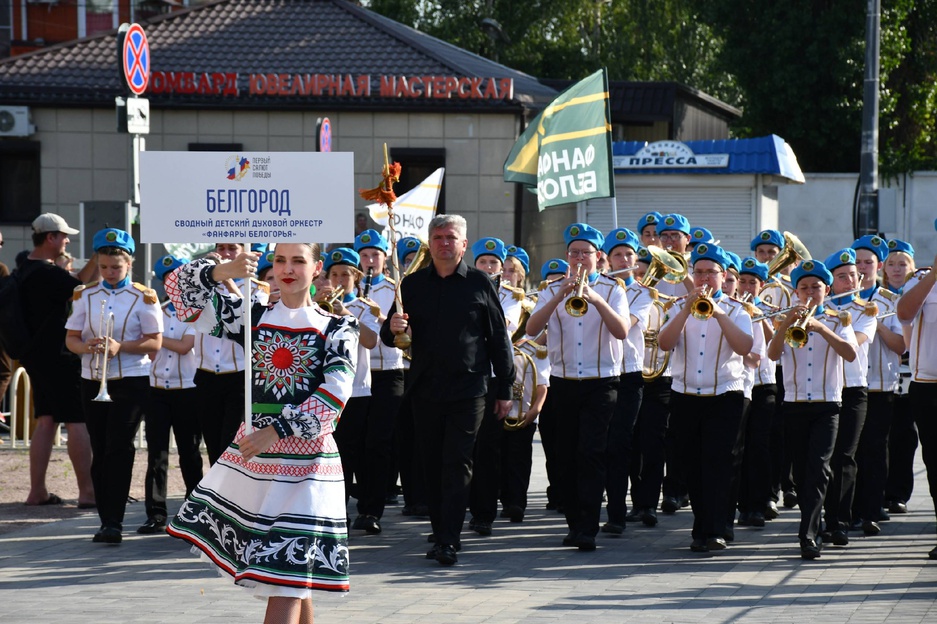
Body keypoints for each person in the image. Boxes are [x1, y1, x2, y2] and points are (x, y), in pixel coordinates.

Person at [167, 243, 357, 621]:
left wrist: (277, 429)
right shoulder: (252, 317)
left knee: (286, 576)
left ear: (317, 267)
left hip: (309, 465)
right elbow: (180, 292)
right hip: (257, 465)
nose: (288, 269)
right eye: (280, 260)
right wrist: (224, 271)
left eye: (299, 261)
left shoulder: (337, 327)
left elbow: (336, 392)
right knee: (292, 578)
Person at [380, 214, 515, 566]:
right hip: (425, 389)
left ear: (463, 244)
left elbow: (498, 338)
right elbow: (389, 337)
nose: (444, 243)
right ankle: (442, 529)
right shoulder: (411, 285)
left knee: (457, 462)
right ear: (430, 242)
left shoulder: (480, 283)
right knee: (431, 463)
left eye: (451, 237)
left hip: (469, 389)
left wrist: (505, 387)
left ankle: (448, 539)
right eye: (438, 237)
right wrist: (393, 326)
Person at [525, 223, 630, 551]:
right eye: (574, 253)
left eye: (586, 253)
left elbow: (622, 331)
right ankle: (574, 522)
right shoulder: (551, 288)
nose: (580, 258)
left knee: (591, 452)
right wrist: (559, 295)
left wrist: (596, 300)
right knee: (567, 455)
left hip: (602, 382)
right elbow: (531, 329)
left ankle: (588, 526)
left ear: (599, 257)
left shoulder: (613, 289)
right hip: (564, 381)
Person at [65, 228, 162, 543]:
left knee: (119, 447)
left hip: (131, 379)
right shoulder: (85, 295)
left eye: (116, 267)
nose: (109, 272)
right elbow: (71, 338)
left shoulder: (144, 297)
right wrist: (86, 347)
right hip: (92, 378)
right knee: (100, 448)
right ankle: (105, 516)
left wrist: (121, 347)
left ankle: (114, 521)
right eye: (104, 266)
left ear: (129, 264)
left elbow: (154, 342)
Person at [657, 243, 754, 552]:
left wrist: (719, 312)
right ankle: (702, 527)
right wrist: (686, 310)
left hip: (725, 394)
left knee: (720, 463)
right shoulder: (678, 306)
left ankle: (717, 528)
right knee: (692, 464)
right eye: (698, 272)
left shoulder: (737, 309)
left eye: (710, 273)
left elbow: (744, 347)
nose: (703, 279)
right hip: (685, 394)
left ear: (723, 276)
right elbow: (664, 343)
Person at [767, 260, 857, 560]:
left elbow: (851, 353)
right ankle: (814, 524)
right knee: (803, 471)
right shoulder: (784, 319)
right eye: (803, 288)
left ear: (826, 290)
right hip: (794, 404)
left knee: (819, 468)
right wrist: (786, 323)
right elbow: (772, 354)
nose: (809, 293)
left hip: (827, 405)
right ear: (795, 292)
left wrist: (820, 327)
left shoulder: (839, 319)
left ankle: (808, 533)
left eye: (815, 287)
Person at [19, 213, 97, 507]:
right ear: (50, 237)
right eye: (64, 236)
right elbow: (80, 286)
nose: (67, 241)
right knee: (77, 421)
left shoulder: (26, 267)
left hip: (35, 355)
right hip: (60, 356)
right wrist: (98, 257)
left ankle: (36, 491)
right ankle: (88, 492)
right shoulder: (47, 273)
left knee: (47, 421)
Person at [138, 254, 204, 535]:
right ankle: (155, 513)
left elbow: (185, 346)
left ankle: (194, 510)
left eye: (177, 278)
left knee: (190, 453)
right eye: (167, 279)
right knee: (156, 454)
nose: (172, 284)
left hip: (188, 390)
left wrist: (155, 338)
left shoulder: (197, 311)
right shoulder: (156, 310)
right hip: (157, 390)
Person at [192, 242, 269, 465]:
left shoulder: (257, 287)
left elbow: (250, 318)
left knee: (231, 444)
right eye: (221, 248)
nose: (225, 254)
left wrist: (227, 279)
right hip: (206, 374)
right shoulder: (201, 282)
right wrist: (206, 273)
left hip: (239, 376)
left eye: (232, 249)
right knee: (212, 443)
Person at [324, 246, 383, 533]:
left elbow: (371, 341)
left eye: (345, 275)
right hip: (327, 390)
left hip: (357, 391)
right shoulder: (316, 306)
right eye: (334, 274)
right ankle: (338, 513)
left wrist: (346, 313)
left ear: (356, 278)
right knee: (335, 455)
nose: (339, 280)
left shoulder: (365, 307)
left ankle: (369, 510)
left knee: (360, 452)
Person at [468, 236, 523, 536]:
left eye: (493, 263)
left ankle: (484, 513)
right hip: (467, 377)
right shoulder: (464, 288)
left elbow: (504, 329)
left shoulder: (512, 297)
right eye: (483, 262)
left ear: (502, 268)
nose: (488, 267)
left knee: (488, 449)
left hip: (493, 378)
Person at [821, 247, 876, 547]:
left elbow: (856, 345)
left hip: (853, 388)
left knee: (844, 456)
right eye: (842, 277)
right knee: (819, 458)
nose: (850, 281)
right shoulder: (819, 308)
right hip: (822, 390)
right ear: (831, 281)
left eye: (853, 275)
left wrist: (838, 319)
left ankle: (839, 521)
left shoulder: (867, 310)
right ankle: (817, 518)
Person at [600, 228, 653, 535]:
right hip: (599, 372)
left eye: (629, 255)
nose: (624, 260)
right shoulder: (597, 287)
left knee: (621, 443)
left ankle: (618, 514)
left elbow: (625, 325)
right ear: (607, 259)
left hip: (628, 373)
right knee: (601, 443)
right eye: (618, 255)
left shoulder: (644, 293)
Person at [851, 235, 904, 535]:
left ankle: (871, 510)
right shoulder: (842, 299)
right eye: (857, 262)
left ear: (879, 266)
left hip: (880, 385)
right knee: (850, 452)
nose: (862, 268)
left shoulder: (889, 301)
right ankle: (849, 510)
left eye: (868, 262)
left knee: (874, 449)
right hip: (850, 384)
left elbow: (900, 345)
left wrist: (875, 322)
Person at [895, 244, 937, 560]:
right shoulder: (922, 279)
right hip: (928, 386)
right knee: (934, 464)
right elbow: (904, 313)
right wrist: (934, 274)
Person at [734, 257, 779, 527]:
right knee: (740, 446)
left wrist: (760, 314)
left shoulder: (770, 309)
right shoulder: (732, 307)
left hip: (765, 383)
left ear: (762, 286)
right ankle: (743, 504)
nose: (747, 286)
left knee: (760, 446)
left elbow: (775, 343)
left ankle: (760, 504)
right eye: (743, 281)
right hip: (741, 384)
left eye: (753, 282)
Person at [883, 240, 917, 514]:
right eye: (891, 264)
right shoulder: (876, 297)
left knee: (905, 437)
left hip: (911, 374)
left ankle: (898, 493)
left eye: (902, 264)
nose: (896, 269)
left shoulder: (919, 294)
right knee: (879, 438)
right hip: (881, 375)